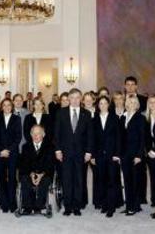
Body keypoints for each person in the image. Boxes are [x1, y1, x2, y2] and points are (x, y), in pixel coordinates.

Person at [54, 88, 94, 216]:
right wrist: (58, 150)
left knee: (79, 179)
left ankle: (76, 206)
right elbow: (57, 134)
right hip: (65, 152)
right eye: (73, 97)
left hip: (81, 153)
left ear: (81, 99)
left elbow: (89, 135)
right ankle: (68, 206)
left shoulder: (86, 114)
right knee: (66, 179)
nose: (75, 100)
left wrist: (88, 152)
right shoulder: (61, 113)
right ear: (69, 99)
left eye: (78, 97)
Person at [93, 96, 121, 218]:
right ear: (98, 105)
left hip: (112, 155)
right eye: (101, 103)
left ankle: (111, 207)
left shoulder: (115, 118)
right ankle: (104, 204)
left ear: (108, 105)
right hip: (99, 155)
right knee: (101, 180)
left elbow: (119, 138)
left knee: (112, 181)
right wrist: (93, 155)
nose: (103, 105)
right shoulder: (94, 120)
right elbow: (92, 139)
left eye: (105, 103)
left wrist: (117, 154)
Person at [18, 125, 55, 214]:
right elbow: (24, 164)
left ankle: (38, 206)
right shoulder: (26, 146)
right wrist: (31, 174)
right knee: (24, 179)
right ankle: (27, 206)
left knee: (45, 181)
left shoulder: (50, 147)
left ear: (43, 134)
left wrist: (41, 175)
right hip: (29, 172)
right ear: (30, 135)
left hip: (44, 173)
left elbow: (50, 164)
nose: (36, 136)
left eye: (38, 133)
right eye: (33, 134)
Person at [0, 98, 22, 213]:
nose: (6, 107)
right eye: (4, 105)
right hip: (0, 153)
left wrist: (8, 150)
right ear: (1, 107)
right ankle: (3, 203)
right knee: (0, 179)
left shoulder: (17, 119)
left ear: (12, 107)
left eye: (9, 105)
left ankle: (12, 203)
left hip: (12, 153)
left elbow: (18, 137)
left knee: (11, 179)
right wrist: (2, 150)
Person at [119, 95, 145, 216]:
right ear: (126, 103)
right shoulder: (123, 117)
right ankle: (129, 205)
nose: (132, 103)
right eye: (129, 101)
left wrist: (139, 155)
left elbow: (142, 138)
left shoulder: (140, 118)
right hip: (124, 154)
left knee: (135, 181)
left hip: (135, 154)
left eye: (134, 102)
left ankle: (135, 206)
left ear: (137, 104)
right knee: (127, 180)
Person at [82, 92, 96, 209]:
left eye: (90, 100)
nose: (88, 102)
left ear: (93, 100)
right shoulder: (80, 113)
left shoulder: (98, 113)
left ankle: (98, 201)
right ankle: (83, 200)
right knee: (82, 176)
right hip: (83, 150)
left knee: (98, 176)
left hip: (97, 150)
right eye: (85, 100)